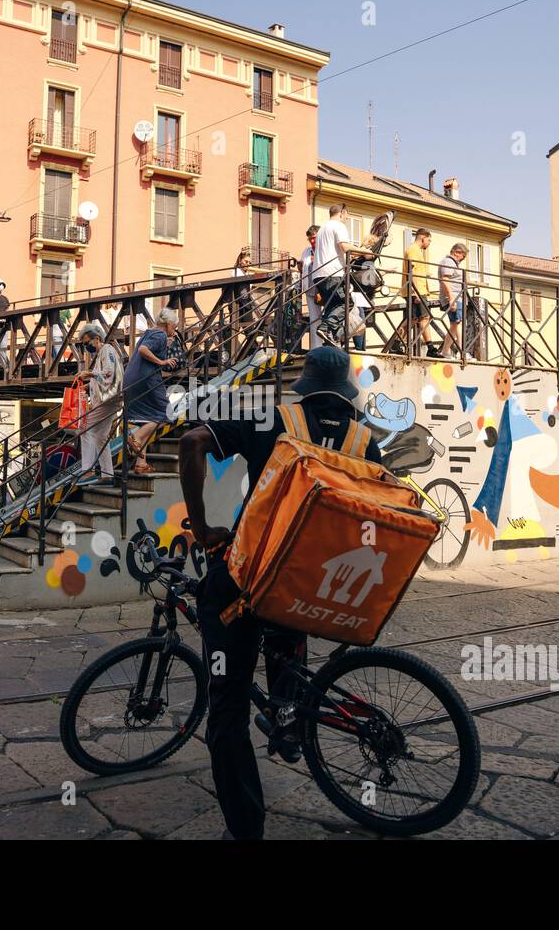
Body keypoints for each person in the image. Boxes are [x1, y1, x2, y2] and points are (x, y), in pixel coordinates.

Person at [178, 346, 384, 841]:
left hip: (249, 579)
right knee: (289, 627)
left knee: (226, 712)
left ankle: (246, 829)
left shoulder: (274, 421)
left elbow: (190, 442)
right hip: (315, 585)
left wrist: (205, 527)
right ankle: (288, 717)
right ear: (347, 392)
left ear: (306, 384)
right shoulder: (365, 442)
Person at [123, 308, 180, 474]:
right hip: (146, 379)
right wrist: (162, 362)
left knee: (147, 418)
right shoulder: (160, 335)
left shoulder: (150, 333)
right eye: (174, 327)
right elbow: (143, 351)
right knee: (166, 414)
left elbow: (146, 348)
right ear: (168, 324)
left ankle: (141, 463)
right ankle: (137, 437)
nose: (174, 330)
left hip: (131, 379)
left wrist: (167, 344)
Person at [311, 204, 376, 350]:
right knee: (346, 303)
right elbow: (345, 247)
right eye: (347, 215)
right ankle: (326, 328)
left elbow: (339, 251)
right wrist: (364, 251)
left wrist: (358, 252)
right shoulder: (338, 226)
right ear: (342, 213)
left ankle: (330, 340)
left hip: (319, 274)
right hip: (333, 273)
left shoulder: (322, 229)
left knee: (332, 306)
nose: (347, 218)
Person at [74, 322, 122, 487]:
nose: (86, 346)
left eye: (87, 343)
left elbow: (108, 373)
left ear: (97, 338)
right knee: (101, 437)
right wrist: (89, 384)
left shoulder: (106, 350)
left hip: (108, 400)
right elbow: (104, 377)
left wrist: (89, 373)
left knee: (83, 426)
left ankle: (88, 470)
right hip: (110, 400)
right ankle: (107, 475)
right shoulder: (103, 352)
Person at [403, 229, 440, 358]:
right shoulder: (414, 250)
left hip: (416, 290)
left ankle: (396, 343)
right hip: (417, 290)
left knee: (413, 319)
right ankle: (430, 347)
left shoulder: (415, 250)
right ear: (423, 238)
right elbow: (411, 271)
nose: (429, 243)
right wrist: (415, 292)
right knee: (423, 318)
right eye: (429, 240)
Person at [437, 243, 469, 359]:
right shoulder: (449, 262)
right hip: (455, 297)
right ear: (456, 252)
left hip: (456, 297)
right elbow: (445, 279)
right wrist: (451, 299)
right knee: (458, 323)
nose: (463, 259)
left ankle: (445, 351)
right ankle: (462, 352)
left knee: (454, 325)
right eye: (463, 256)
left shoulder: (450, 262)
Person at [299, 225, 321, 349]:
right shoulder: (306, 251)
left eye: (314, 238)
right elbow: (303, 267)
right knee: (314, 319)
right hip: (310, 288)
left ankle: (332, 345)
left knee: (329, 317)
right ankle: (316, 347)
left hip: (323, 287)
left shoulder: (324, 249)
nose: (312, 241)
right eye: (310, 239)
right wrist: (300, 265)